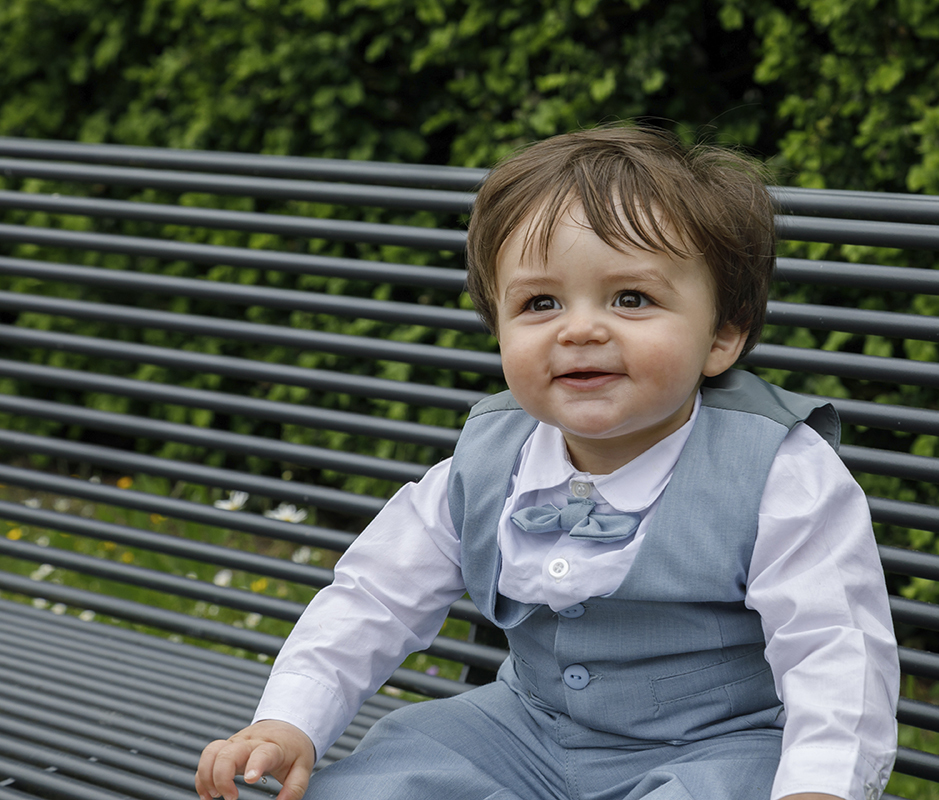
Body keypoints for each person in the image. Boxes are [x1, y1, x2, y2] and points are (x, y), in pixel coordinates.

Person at [194, 125, 899, 800]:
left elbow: (836, 653)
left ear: (722, 335)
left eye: (631, 298)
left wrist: (819, 789)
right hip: (524, 731)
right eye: (540, 302)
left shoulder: (776, 471)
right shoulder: (489, 461)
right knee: (386, 777)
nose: (581, 328)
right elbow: (374, 596)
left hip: (713, 749)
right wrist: (289, 720)